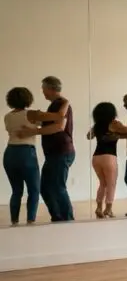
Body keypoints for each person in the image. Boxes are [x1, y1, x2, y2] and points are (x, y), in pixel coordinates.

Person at [31, 77, 75, 222]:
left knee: (57, 187)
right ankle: (58, 218)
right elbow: (50, 122)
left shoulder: (62, 103)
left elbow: (59, 127)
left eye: (43, 88)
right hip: (54, 153)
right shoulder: (55, 105)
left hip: (61, 152)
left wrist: (34, 131)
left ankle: (67, 219)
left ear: (50, 88)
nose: (42, 91)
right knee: (45, 187)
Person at [4, 87, 43, 226]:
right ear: (28, 98)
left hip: (10, 153)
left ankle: (14, 221)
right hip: (26, 153)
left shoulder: (7, 116)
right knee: (34, 189)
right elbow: (46, 125)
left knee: (16, 190)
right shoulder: (31, 114)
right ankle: (30, 220)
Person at [86, 102, 127, 219]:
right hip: (109, 157)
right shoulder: (114, 123)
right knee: (111, 184)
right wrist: (117, 133)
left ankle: (99, 208)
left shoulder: (96, 126)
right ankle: (108, 210)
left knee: (102, 184)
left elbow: (88, 136)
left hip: (96, 157)